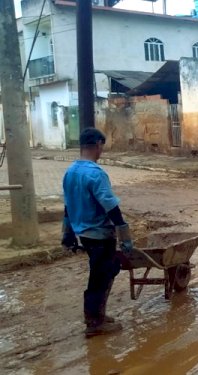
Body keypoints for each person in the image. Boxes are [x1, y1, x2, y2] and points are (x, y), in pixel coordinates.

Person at [61, 128, 133, 338]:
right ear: (98, 145)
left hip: (83, 233)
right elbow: (110, 206)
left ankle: (97, 315)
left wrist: (68, 233)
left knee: (103, 272)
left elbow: (68, 205)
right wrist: (124, 234)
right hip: (100, 234)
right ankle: (94, 322)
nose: (102, 150)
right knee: (101, 276)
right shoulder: (95, 173)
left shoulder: (71, 171)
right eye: (102, 146)